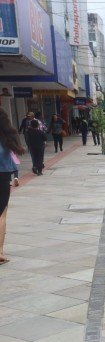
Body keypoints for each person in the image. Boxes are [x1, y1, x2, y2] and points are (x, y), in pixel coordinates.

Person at [1, 108, 26, 265]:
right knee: (2, 214)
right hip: (2, 177)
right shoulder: (7, 141)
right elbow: (13, 161)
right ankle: (0, 251)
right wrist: (16, 176)